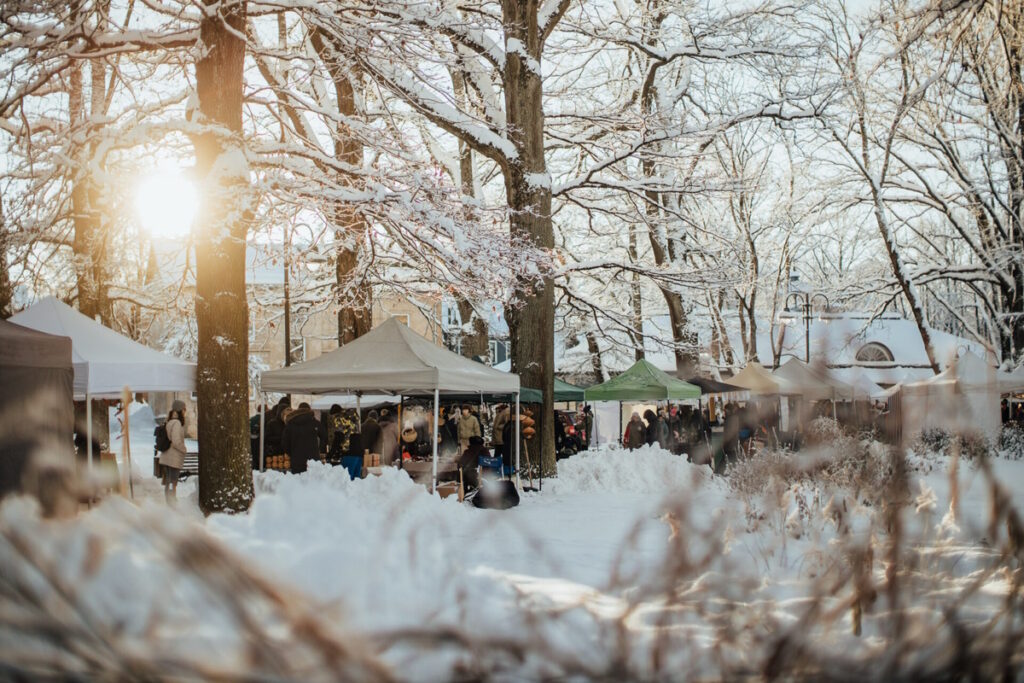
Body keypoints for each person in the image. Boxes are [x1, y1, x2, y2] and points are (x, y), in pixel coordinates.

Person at [281, 402, 328, 474]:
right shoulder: (314, 422)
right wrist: (321, 451)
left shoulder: (290, 423)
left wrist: (292, 453)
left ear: (297, 410)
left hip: (296, 459)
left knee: (298, 482)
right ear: (309, 410)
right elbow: (324, 436)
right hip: (313, 460)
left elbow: (284, 443)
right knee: (313, 482)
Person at [159, 400, 188, 504]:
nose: (185, 411)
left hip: (167, 457)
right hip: (173, 458)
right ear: (181, 410)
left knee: (169, 482)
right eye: (184, 409)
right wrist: (184, 449)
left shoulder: (170, 421)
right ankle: (171, 503)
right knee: (172, 482)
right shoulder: (177, 423)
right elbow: (176, 441)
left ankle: (170, 501)